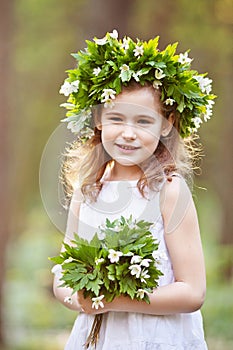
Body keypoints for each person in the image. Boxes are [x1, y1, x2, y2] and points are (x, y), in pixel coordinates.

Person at [52, 30, 216, 349]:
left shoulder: (169, 191)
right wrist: (79, 298)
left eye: (143, 121)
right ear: (99, 118)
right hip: (97, 336)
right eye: (117, 118)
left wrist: (115, 301)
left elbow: (193, 292)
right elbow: (64, 270)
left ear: (166, 124)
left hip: (155, 338)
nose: (128, 133)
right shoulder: (88, 190)